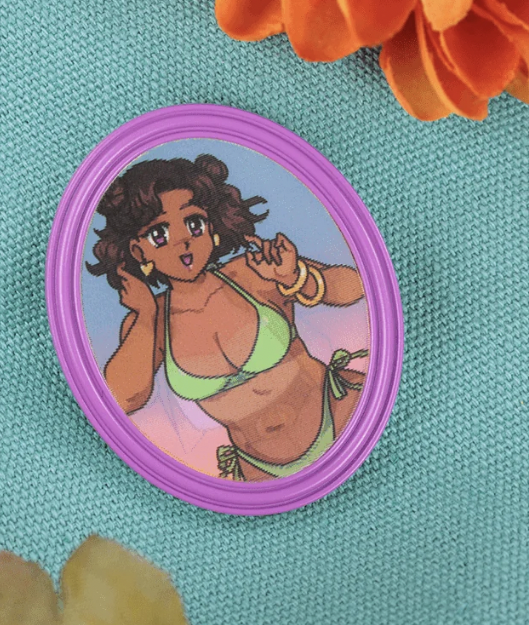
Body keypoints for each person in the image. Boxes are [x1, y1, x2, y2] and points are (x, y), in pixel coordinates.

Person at [89, 154, 366, 480]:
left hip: (341, 409)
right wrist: (146, 313)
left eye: (194, 223)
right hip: (259, 470)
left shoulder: (251, 271)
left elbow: (356, 287)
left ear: (212, 227)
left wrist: (294, 277)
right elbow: (121, 399)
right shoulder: (150, 321)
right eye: (160, 234)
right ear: (138, 251)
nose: (183, 240)